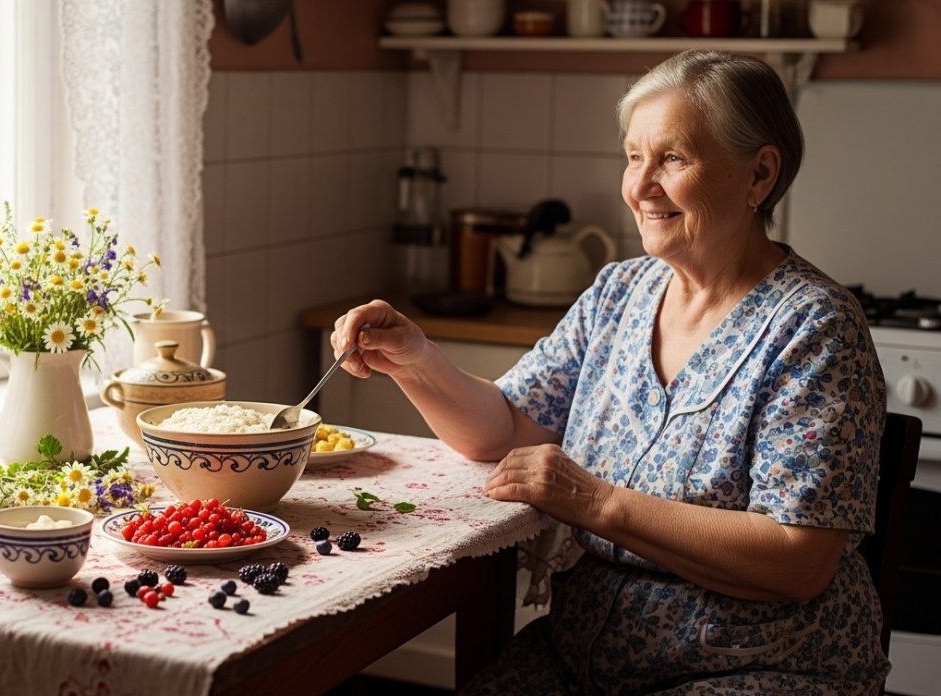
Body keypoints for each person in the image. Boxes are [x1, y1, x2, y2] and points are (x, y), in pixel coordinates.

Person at [330, 50, 889, 695]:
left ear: (759, 175)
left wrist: (595, 501)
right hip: (584, 657)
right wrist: (417, 361)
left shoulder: (815, 326)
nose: (640, 185)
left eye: (673, 160)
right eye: (633, 157)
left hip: (755, 667)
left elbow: (800, 561)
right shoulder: (619, 292)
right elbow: (502, 428)